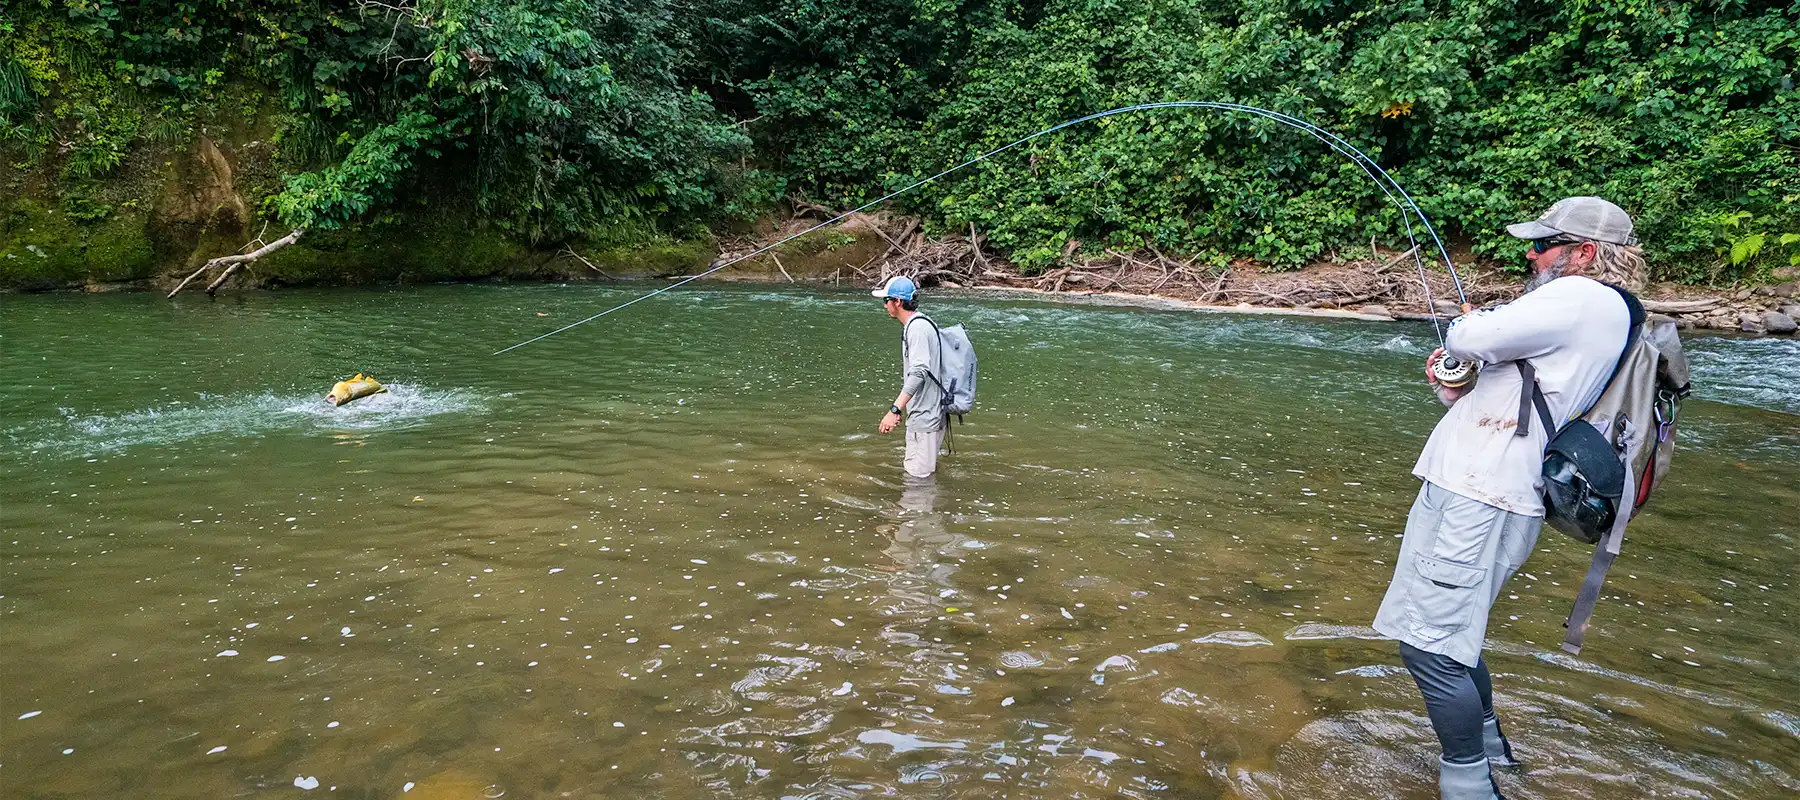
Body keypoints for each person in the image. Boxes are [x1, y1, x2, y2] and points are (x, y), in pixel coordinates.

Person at [1372, 197, 1648, 799]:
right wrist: (1457, 384)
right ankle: (1495, 756)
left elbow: (1469, 334)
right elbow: (1508, 383)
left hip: (1483, 495)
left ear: (1586, 252)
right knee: (1453, 639)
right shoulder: (1596, 309)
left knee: (1430, 650)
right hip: (1480, 487)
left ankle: (1470, 786)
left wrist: (1474, 329)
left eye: (1544, 244)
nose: (1532, 254)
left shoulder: (1581, 298)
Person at [872, 275, 947, 481]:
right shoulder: (923, 322)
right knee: (924, 477)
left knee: (917, 481)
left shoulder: (916, 329)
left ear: (897, 301)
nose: (884, 305)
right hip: (932, 412)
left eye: (886, 300)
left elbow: (919, 371)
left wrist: (895, 410)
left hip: (925, 417)